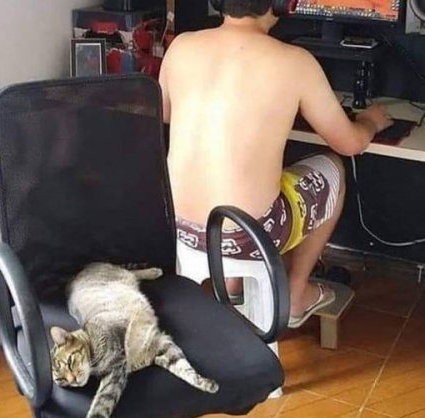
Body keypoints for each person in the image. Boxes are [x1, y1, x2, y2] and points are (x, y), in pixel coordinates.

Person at [158, 0, 393, 327]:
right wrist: (370, 121)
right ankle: (296, 294)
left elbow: (166, 113)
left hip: (177, 228)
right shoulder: (295, 62)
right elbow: (350, 143)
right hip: (250, 236)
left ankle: (233, 283)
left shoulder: (181, 46)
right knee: (333, 169)